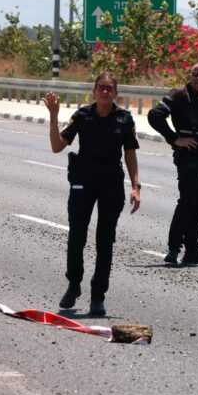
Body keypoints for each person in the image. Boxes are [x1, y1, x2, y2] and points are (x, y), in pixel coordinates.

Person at [43, 72, 141, 316]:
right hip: (83, 180)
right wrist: (54, 116)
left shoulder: (124, 119)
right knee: (76, 235)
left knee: (105, 240)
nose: (105, 91)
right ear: (94, 91)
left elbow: (130, 153)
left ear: (116, 93)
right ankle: (74, 284)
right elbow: (57, 147)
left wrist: (136, 186)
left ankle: (98, 295)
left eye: (109, 88)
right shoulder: (82, 115)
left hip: (111, 183)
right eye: (101, 87)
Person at [148, 63, 198, 264]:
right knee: (187, 203)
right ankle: (174, 249)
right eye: (195, 74)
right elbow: (154, 116)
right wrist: (175, 139)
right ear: (190, 76)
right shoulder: (179, 95)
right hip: (189, 159)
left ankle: (192, 250)